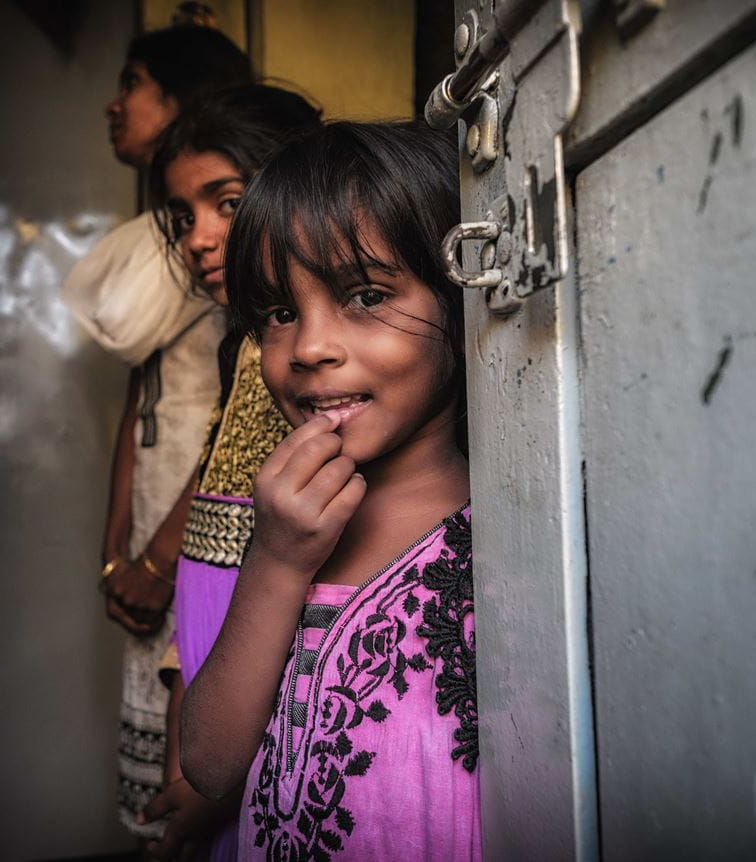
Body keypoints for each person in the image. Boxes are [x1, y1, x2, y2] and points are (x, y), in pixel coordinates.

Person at [182, 121, 480, 860]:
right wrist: (277, 561)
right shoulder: (291, 526)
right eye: (280, 314)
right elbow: (210, 765)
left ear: (457, 300)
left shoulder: (507, 533)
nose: (310, 348)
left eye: (366, 295)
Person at [62, 23, 253, 840]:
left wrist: (154, 559)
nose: (115, 104)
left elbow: (232, 435)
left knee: (199, 735)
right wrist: (119, 551)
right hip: (158, 524)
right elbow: (139, 398)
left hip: (206, 528)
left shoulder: (235, 259)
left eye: (133, 81)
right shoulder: (170, 242)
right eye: (185, 214)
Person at [129, 84, 321, 861]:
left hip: (262, 721)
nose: (199, 239)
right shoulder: (241, 350)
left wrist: (213, 776)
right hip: (211, 697)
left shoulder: (312, 369)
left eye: (227, 203)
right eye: (184, 217)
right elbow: (208, 561)